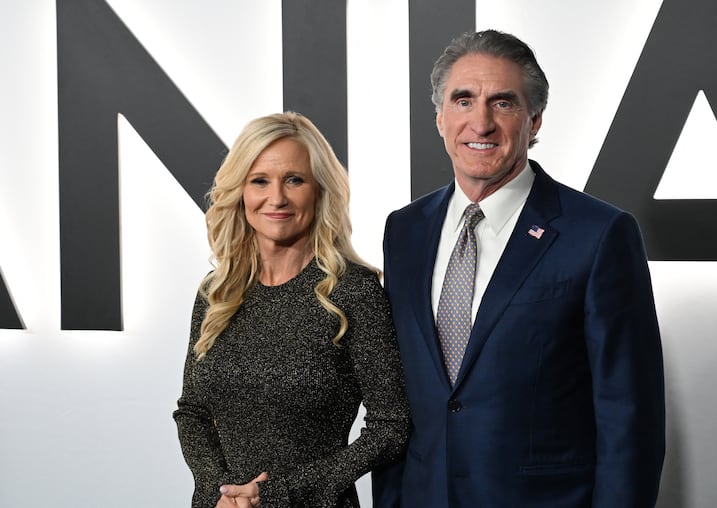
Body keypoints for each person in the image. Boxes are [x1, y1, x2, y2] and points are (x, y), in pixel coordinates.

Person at [372, 30, 665, 507]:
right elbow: (402, 403)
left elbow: (629, 416)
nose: (481, 123)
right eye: (463, 101)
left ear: (535, 120)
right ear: (440, 118)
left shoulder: (598, 234)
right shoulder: (404, 231)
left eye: (503, 103)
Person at [173, 111, 411, 508]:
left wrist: (283, 493)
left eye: (294, 180)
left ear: (320, 190)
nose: (277, 198)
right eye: (260, 181)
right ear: (241, 192)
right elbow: (192, 412)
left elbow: (391, 427)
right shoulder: (216, 293)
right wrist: (221, 493)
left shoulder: (353, 291)